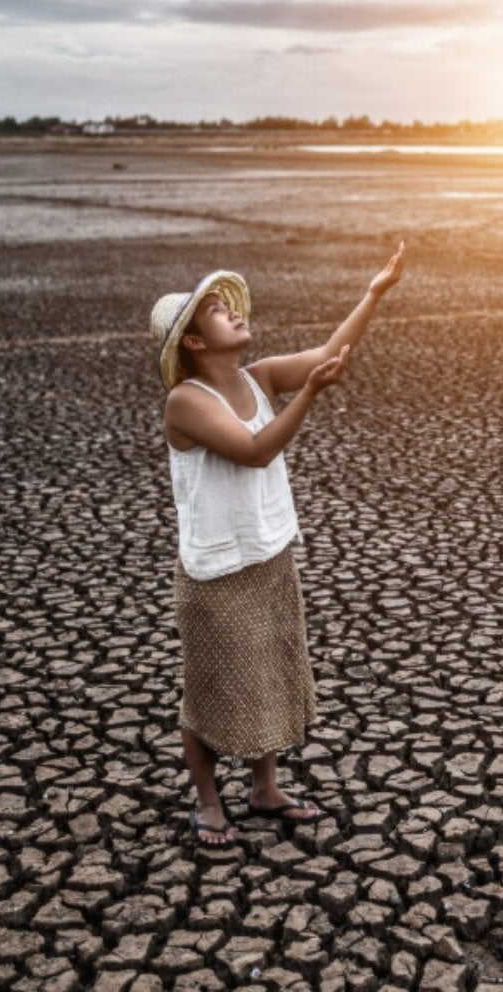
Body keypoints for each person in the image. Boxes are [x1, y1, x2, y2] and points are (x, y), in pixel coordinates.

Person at [149, 242, 406, 848]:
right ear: (194, 341)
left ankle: (265, 791)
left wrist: (373, 292)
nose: (235, 313)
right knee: (209, 690)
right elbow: (257, 449)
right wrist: (310, 394)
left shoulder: (257, 376)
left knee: (270, 675)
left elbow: (327, 353)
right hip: (215, 570)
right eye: (217, 311)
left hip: (268, 553)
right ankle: (209, 803)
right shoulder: (185, 402)